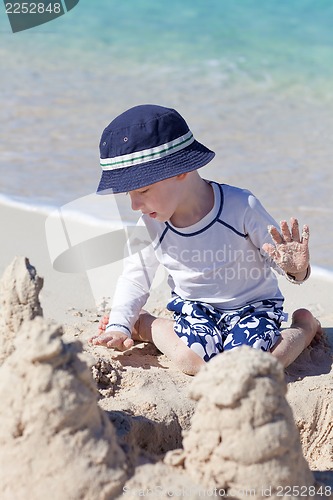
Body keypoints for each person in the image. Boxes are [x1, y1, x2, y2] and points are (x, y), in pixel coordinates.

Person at [90, 104, 321, 375]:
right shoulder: (151, 224)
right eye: (129, 194)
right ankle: (144, 325)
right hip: (196, 310)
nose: (134, 204)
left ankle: (304, 326)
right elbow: (134, 278)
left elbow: (281, 260)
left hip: (253, 308)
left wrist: (295, 268)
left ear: (180, 169)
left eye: (142, 190)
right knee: (192, 362)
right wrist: (119, 324)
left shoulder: (240, 206)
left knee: (257, 367)